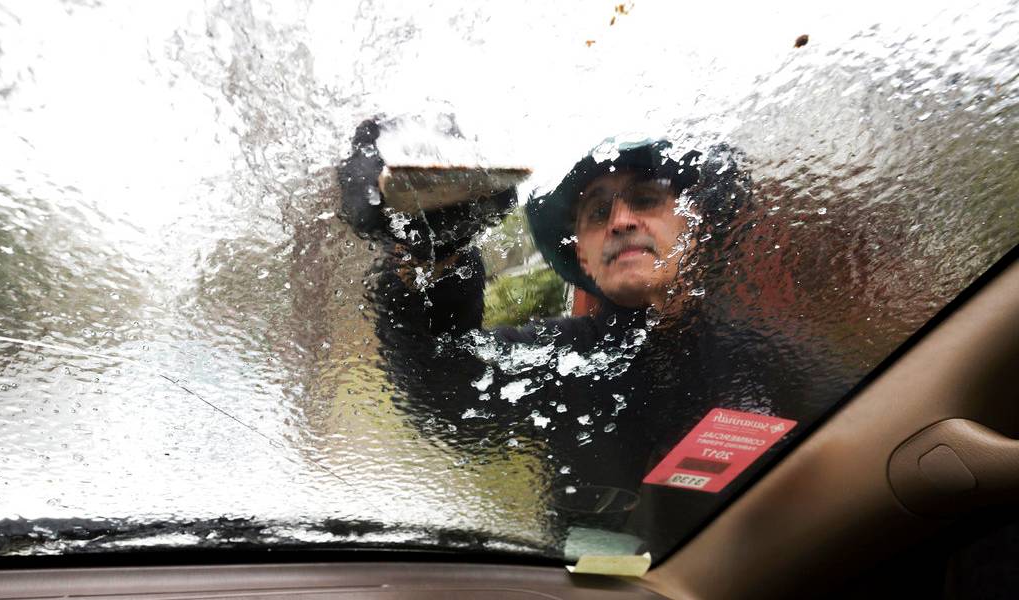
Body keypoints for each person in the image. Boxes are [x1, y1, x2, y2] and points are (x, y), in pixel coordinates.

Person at [339, 119, 849, 554]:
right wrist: (429, 258)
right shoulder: (555, 356)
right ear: (581, 255)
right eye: (598, 213)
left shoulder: (775, 362)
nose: (622, 221)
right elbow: (445, 396)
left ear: (696, 228)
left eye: (646, 200)